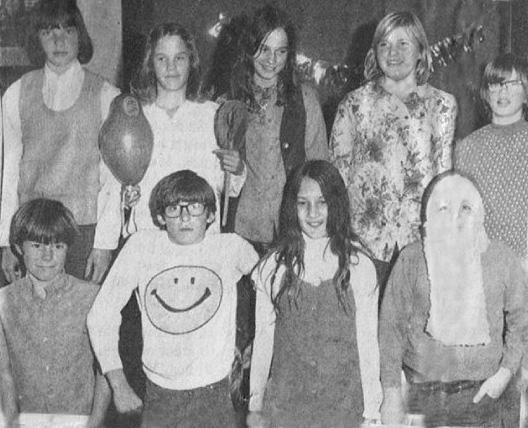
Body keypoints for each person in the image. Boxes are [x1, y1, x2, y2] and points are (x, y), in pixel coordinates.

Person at [87, 170, 259, 428]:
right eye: (174, 208)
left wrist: (256, 342)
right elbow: (101, 314)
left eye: (195, 207)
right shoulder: (142, 246)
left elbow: (272, 289)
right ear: (160, 217)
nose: (185, 217)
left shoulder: (230, 247)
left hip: (215, 392)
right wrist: (118, 383)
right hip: (160, 394)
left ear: (211, 215)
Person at [379, 172, 528, 427]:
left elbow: (522, 321)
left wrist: (504, 374)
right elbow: (391, 328)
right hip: (424, 397)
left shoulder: (502, 259)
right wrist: (391, 394)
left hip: (485, 398)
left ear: (480, 212)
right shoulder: (411, 259)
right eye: (444, 207)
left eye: (465, 207)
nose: (455, 218)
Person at [247, 160, 382, 428]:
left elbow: (367, 343)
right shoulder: (273, 266)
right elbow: (263, 340)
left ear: (336, 204)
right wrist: (255, 406)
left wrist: (372, 412)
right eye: (302, 203)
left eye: (322, 202)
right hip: (287, 409)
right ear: (291, 206)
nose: (312, 213)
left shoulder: (359, 265)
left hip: (343, 408)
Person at [329, 11, 457, 288]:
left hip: (420, 245)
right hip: (364, 245)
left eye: (403, 44)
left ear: (421, 51)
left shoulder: (441, 106)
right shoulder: (353, 105)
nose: (393, 53)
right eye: (384, 44)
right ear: (374, 52)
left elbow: (444, 179)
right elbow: (337, 179)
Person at [0, 0, 121, 284]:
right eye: (48, 31)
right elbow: (9, 174)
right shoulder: (16, 93)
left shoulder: (106, 95)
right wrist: (6, 242)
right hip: (30, 234)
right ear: (37, 38)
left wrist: (104, 244)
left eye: (68, 30)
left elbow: (113, 180)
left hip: (83, 233)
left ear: (80, 35)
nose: (59, 41)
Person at [206, 4, 329, 249]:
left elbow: (320, 168)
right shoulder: (226, 104)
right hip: (240, 230)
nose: (272, 60)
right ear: (248, 48)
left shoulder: (305, 99)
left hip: (291, 230)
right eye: (264, 49)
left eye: (280, 51)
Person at [454, 52, 528, 428]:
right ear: (485, 92)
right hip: (485, 274)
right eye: (495, 84)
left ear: (526, 90)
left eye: (511, 83)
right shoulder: (467, 148)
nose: (502, 91)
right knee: (494, 374)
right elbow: (461, 215)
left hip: (527, 265)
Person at [0, 199, 110, 427]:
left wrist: (94, 422)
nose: (47, 256)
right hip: (26, 419)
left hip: (79, 419)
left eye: (58, 246)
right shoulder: (4, 301)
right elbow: (4, 372)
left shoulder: (92, 297)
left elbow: (105, 370)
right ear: (19, 247)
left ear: (68, 248)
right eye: (37, 246)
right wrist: (11, 423)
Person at [128, 22, 245, 234]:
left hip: (201, 239)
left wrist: (235, 168)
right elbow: (124, 185)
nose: (171, 67)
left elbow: (228, 187)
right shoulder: (137, 116)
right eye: (161, 58)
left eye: (179, 58)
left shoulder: (213, 115)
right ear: (150, 63)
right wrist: (127, 199)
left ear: (192, 61)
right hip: (150, 236)